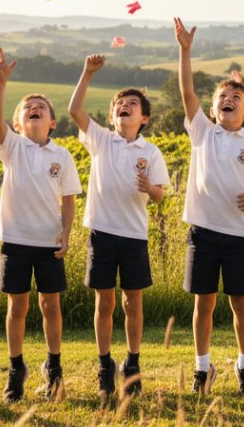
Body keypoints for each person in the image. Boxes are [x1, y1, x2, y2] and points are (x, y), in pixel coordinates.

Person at [173, 18, 244, 396]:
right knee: (204, 303)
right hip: (202, 233)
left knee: (240, 304)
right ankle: (203, 369)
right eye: (222, 98)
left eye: (236, 98)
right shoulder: (202, 132)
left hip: (237, 236)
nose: (228, 101)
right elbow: (187, 92)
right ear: (214, 109)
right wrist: (185, 51)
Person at [68, 54, 169, 402]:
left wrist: (150, 188)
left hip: (134, 236)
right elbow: (74, 111)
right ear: (113, 116)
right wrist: (88, 72)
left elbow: (159, 195)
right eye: (120, 105)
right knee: (105, 301)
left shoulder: (151, 151)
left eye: (133, 104)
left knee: (133, 302)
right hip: (101, 232)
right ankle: (103, 365)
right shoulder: (100, 140)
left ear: (144, 118)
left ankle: (133, 363)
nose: (125, 107)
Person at [0, 49, 81, 401]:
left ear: (52, 123)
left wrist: (66, 233)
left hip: (48, 243)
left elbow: (69, 199)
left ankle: (53, 367)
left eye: (41, 107)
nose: (35, 108)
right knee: (17, 306)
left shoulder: (62, 156)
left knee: (51, 305)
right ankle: (16, 369)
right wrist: (1, 82)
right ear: (18, 124)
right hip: (15, 239)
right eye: (28, 108)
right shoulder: (12, 147)